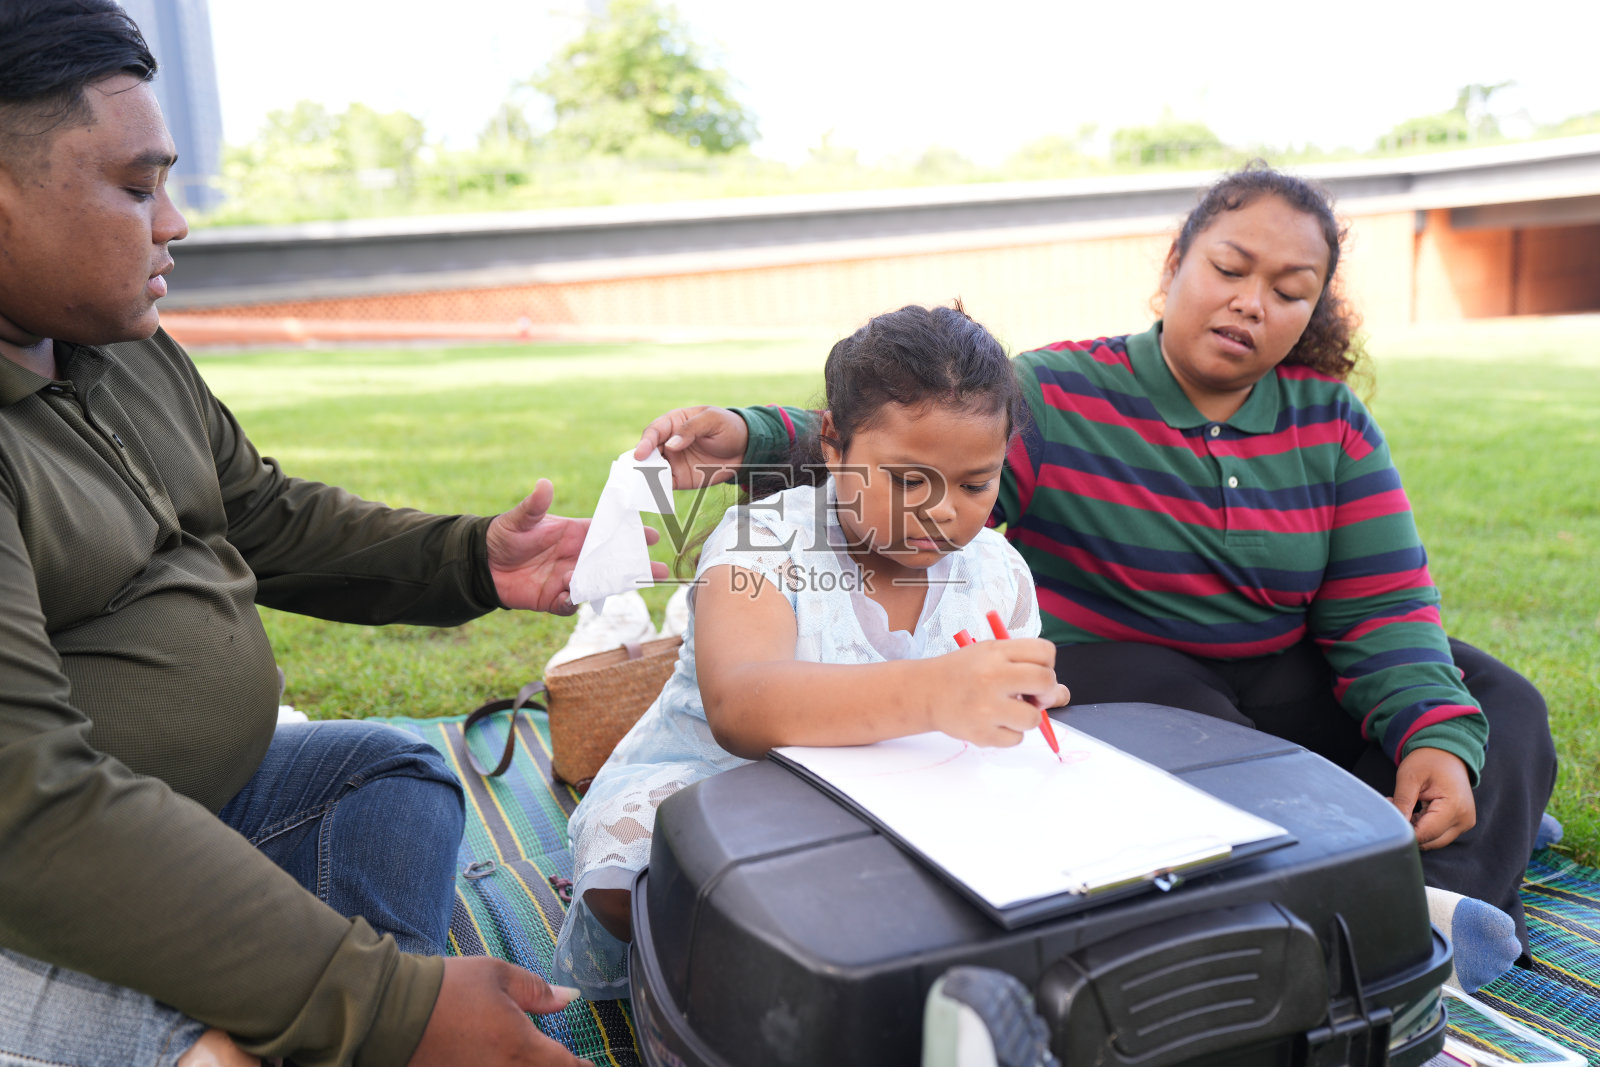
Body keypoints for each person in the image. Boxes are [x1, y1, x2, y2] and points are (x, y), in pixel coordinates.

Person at [633, 164, 1558, 989]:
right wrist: (754, 437)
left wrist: (1436, 732)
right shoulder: (1062, 392)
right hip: (1134, 678)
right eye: (1229, 268)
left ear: (1313, 311)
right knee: (1168, 718)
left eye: (1289, 289)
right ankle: (1329, 861)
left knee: (1496, 705)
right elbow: (914, 447)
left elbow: (1385, 607)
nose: (1250, 302)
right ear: (1175, 268)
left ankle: (1436, 906)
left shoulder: (1333, 423)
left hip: (1283, 669)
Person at [0, 3, 664, 1064]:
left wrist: (470, 556)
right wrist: (394, 1007)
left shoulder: (116, 346)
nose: (172, 221)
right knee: (197, 1032)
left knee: (390, 776)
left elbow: (257, 512)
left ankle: (298, 1023)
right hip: (33, 878)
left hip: (196, 810)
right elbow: (30, 811)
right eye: (134, 187)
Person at [552, 303, 1072, 1000]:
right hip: (725, 782)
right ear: (833, 444)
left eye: (977, 483)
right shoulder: (762, 540)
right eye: (906, 480)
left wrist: (1014, 704)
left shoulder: (996, 571)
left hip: (913, 790)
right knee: (645, 866)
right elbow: (741, 706)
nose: (941, 510)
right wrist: (936, 690)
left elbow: (999, 716)